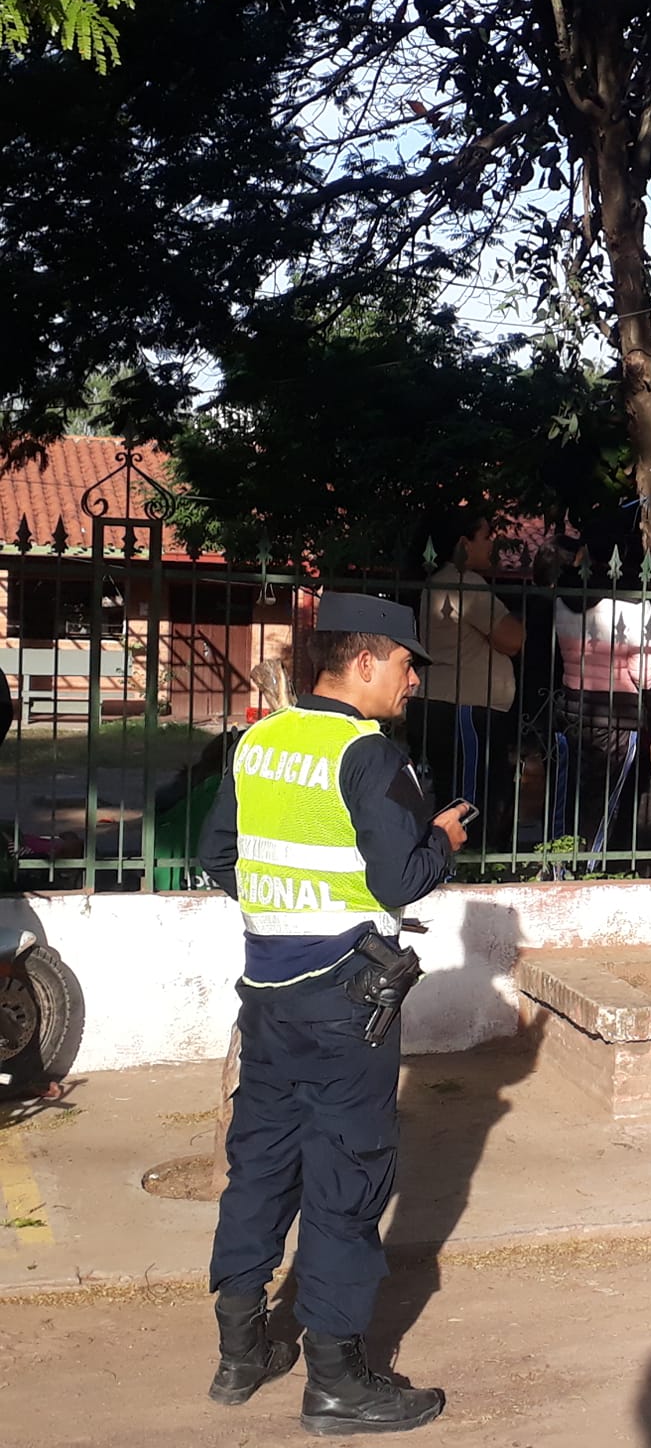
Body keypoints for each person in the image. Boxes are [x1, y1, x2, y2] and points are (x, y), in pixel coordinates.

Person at [198, 592, 467, 1434]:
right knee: (346, 1180)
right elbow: (400, 880)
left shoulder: (257, 741)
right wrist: (446, 841)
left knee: (262, 1164)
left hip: (267, 996)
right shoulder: (369, 753)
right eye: (406, 663)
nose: (414, 680)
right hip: (349, 1004)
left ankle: (242, 1354)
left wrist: (291, 916)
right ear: (364, 662)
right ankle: (339, 1380)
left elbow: (217, 857)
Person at [412, 505, 524, 852]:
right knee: (471, 799)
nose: (492, 545)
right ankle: (470, 867)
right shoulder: (464, 584)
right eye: (486, 537)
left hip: (444, 705)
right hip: (465, 711)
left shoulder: (438, 582)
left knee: (449, 788)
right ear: (464, 543)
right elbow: (512, 639)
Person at [555, 532, 651, 862]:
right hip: (618, 717)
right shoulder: (634, 605)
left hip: (573, 707)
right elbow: (644, 675)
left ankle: (560, 864)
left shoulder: (564, 595)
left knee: (571, 795)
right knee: (604, 803)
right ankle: (586, 870)